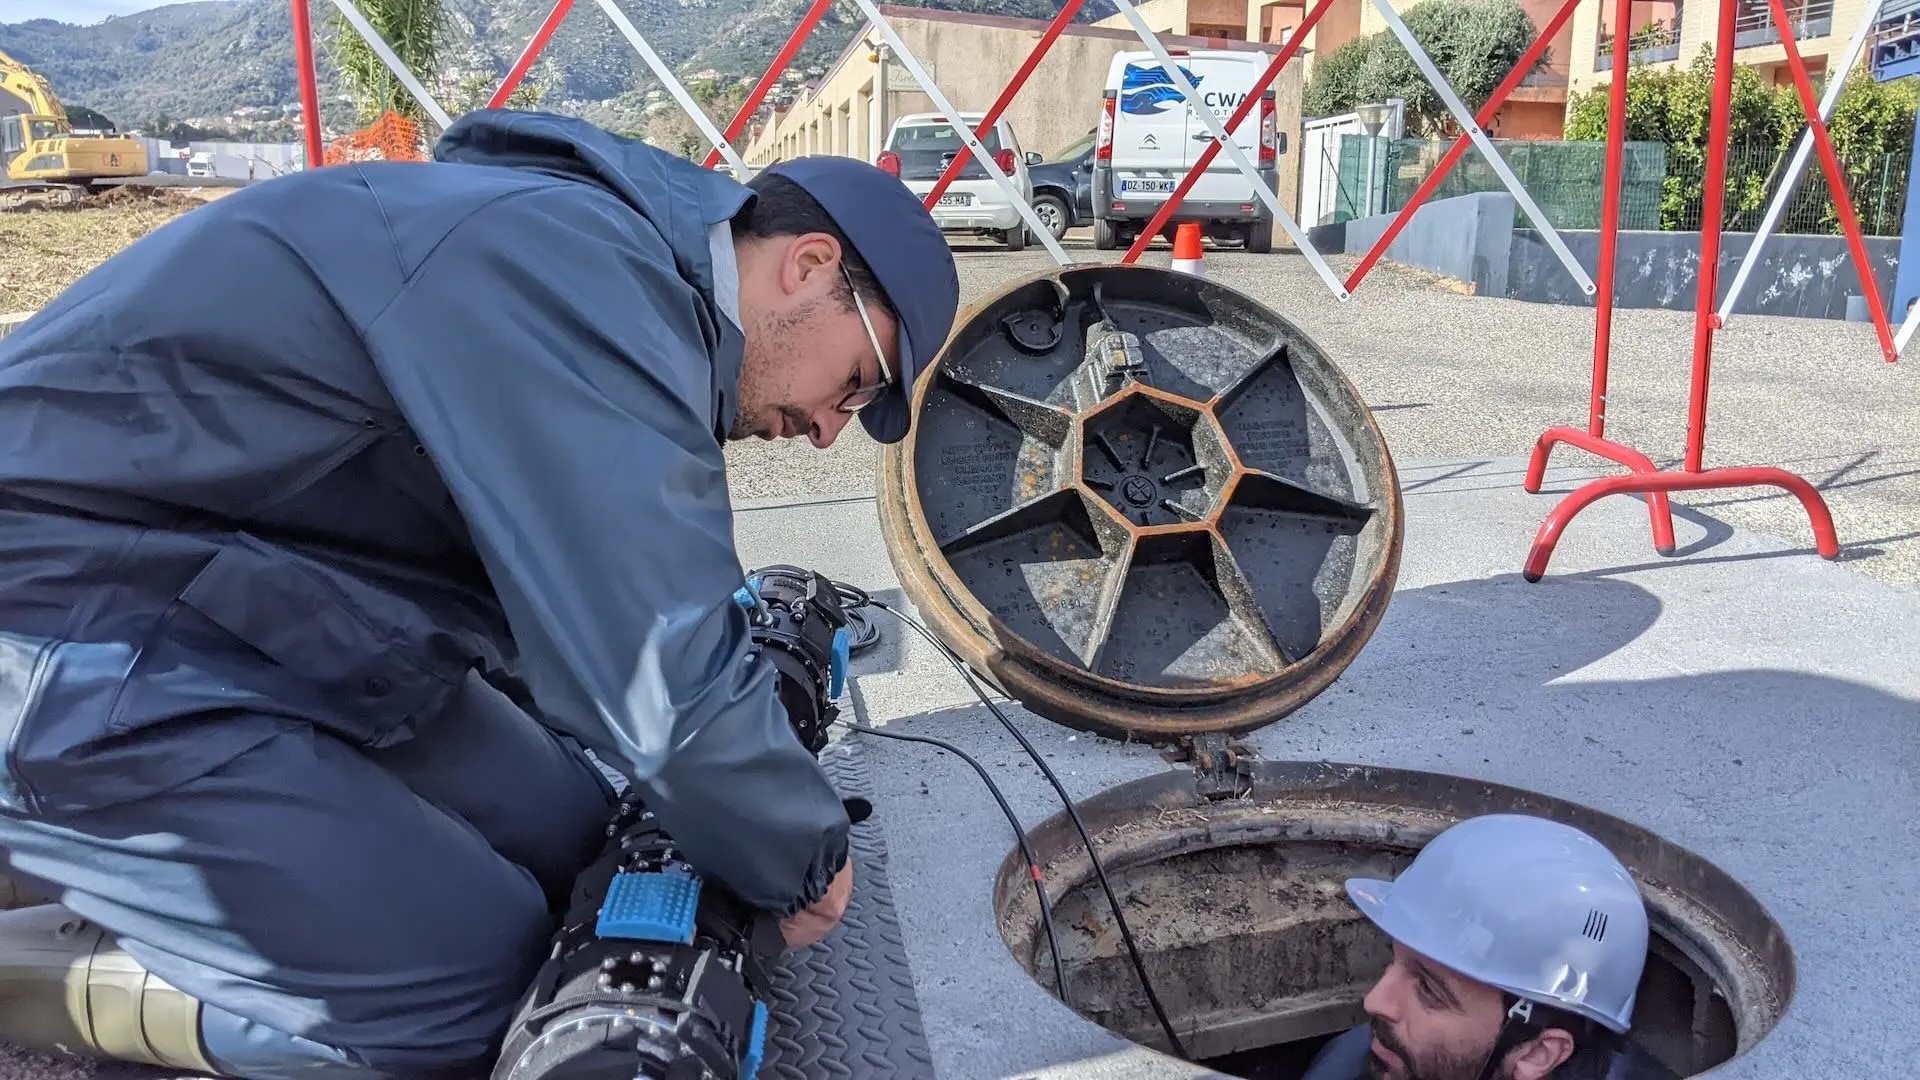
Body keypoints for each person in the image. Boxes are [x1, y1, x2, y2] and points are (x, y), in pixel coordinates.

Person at [0, 108, 958, 1079]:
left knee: (580, 837)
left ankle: (188, 900)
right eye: (857, 384)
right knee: (486, 999)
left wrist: (734, 796)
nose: (834, 431)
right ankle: (41, 974)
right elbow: (661, 675)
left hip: (279, 620)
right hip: (82, 637)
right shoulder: (578, 269)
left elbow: (569, 603)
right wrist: (800, 853)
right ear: (808, 265)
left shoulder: (593, 258)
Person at [1302, 814, 1681, 1080]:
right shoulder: (1363, 1061)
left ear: (1537, 1054)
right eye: (1394, 961)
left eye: (1430, 991)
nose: (1375, 1001)